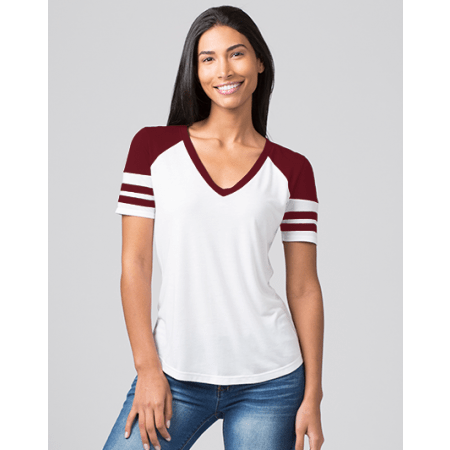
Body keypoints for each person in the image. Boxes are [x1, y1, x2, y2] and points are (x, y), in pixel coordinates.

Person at [102, 5, 325, 450]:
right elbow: (135, 265)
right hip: (174, 374)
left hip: (271, 382)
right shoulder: (152, 150)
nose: (223, 70)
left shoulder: (292, 169)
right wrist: (148, 368)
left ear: (259, 62)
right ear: (196, 70)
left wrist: (313, 396)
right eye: (208, 58)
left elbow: (303, 288)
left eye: (236, 53)